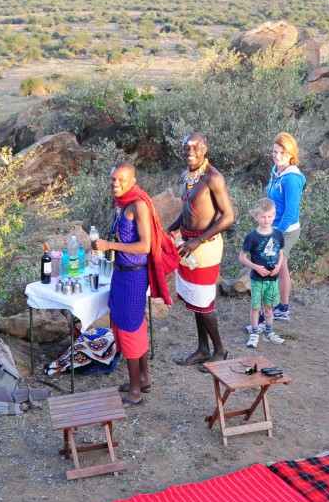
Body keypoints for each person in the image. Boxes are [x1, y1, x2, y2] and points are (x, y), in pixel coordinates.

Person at [93, 162, 178, 406]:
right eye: (112, 180)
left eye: (121, 180)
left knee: (130, 328)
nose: (115, 184)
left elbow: (144, 246)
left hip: (133, 275)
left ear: (132, 181)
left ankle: (134, 391)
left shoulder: (138, 204)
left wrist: (110, 246)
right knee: (128, 324)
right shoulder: (122, 205)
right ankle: (142, 377)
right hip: (122, 272)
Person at [167, 132, 236, 365]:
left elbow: (228, 216)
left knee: (204, 303)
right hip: (187, 245)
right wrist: (171, 228)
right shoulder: (188, 175)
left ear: (205, 149)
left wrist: (200, 239)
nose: (191, 151)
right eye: (186, 147)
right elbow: (187, 208)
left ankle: (220, 351)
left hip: (205, 247)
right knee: (195, 299)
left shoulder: (212, 177)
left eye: (196, 147)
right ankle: (202, 349)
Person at [265, 132, 306, 324]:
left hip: (285, 230)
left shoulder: (291, 178)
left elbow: (290, 212)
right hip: (273, 226)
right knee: (281, 268)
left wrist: (276, 234)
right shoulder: (276, 171)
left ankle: (271, 312)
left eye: (282, 152)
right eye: (275, 151)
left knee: (273, 267)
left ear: (290, 154)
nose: (277, 155)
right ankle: (282, 307)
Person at [239, 197, 286, 349]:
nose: (266, 220)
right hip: (257, 279)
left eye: (269, 216)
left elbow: (280, 253)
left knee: (269, 306)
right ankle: (254, 333)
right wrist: (256, 267)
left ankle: (269, 331)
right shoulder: (252, 237)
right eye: (263, 216)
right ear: (256, 216)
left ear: (274, 215)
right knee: (255, 306)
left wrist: (278, 266)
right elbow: (242, 257)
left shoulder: (278, 234)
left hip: (273, 278)